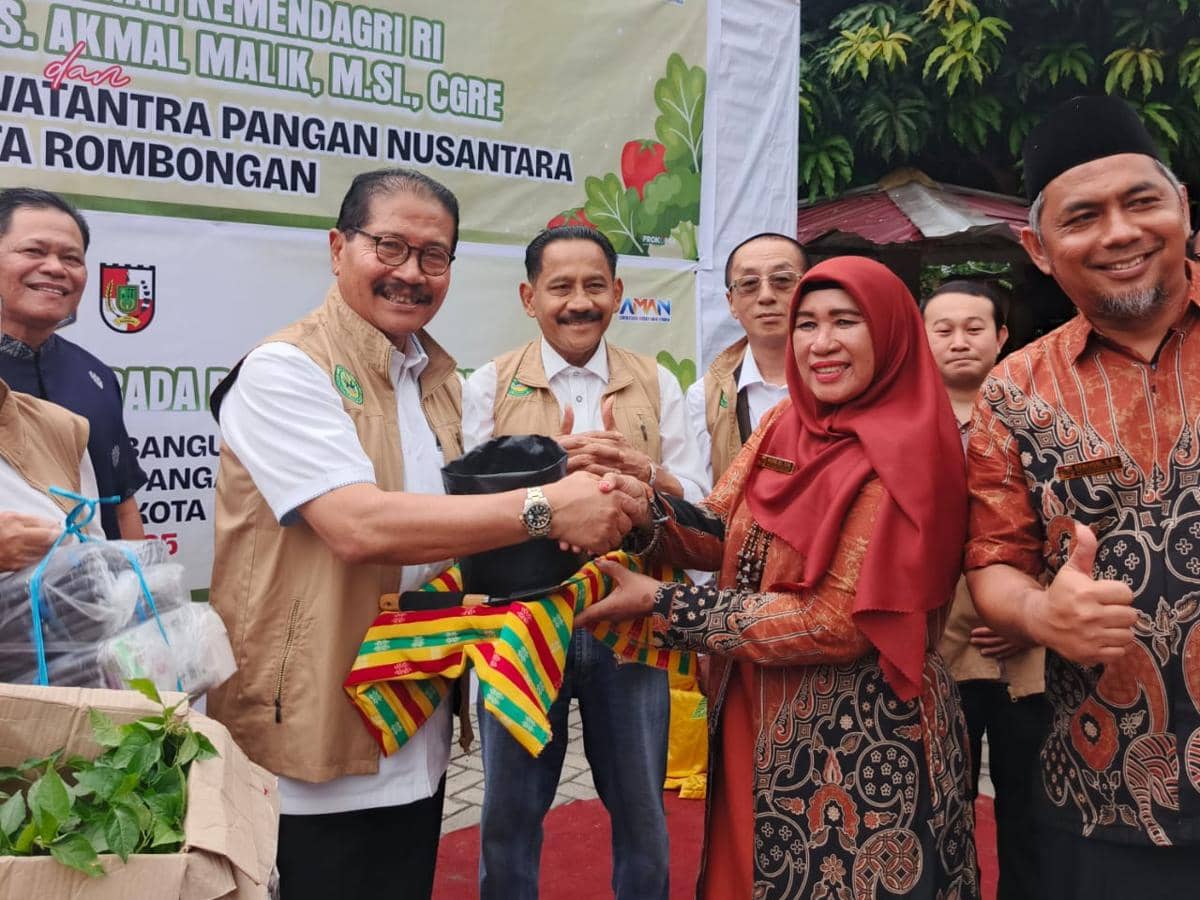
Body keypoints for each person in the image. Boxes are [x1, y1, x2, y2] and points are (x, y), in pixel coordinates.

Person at [204, 171, 648, 900]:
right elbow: (357, 524)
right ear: (339, 248)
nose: (410, 272)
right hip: (309, 734)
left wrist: (561, 467)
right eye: (390, 247)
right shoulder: (285, 369)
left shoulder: (431, 378)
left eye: (434, 255)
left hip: (412, 719)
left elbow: (453, 509)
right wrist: (548, 506)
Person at [577, 256, 978, 899]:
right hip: (752, 708)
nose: (821, 343)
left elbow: (837, 624)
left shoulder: (912, 449)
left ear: (891, 332)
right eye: (807, 324)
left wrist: (663, 604)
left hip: (861, 740)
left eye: (845, 322)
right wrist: (636, 506)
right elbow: (720, 526)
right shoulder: (784, 422)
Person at [965, 94, 1200, 898]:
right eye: (1083, 216)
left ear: (1182, 208)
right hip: (1106, 796)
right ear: (1038, 248)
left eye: (1141, 202)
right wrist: (1041, 615)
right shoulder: (1014, 392)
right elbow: (992, 560)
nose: (1120, 233)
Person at [462, 225, 707, 900]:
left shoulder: (657, 381)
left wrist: (642, 472)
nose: (579, 302)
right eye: (560, 287)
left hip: (629, 620)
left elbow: (700, 498)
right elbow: (462, 508)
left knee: (643, 815)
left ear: (618, 293)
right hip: (520, 625)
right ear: (529, 297)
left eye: (594, 285)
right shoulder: (488, 384)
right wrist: (549, 478)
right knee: (507, 819)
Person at [922, 279, 1048, 899]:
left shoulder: (1039, 416)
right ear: (922, 339)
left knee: (1032, 809)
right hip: (939, 650)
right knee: (943, 808)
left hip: (1028, 650)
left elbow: (1073, 520)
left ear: (1001, 336)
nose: (959, 341)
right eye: (942, 329)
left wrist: (1029, 610)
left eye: (974, 328)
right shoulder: (905, 424)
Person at [0, 188, 146, 541]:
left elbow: (123, 507)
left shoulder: (95, 376)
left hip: (100, 578)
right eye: (34, 251)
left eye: (71, 258)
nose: (55, 268)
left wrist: (144, 575)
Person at [686, 233, 807, 485]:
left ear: (808, 289)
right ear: (731, 302)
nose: (766, 296)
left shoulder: (843, 381)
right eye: (749, 284)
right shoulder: (705, 398)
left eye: (782, 280)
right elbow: (699, 492)